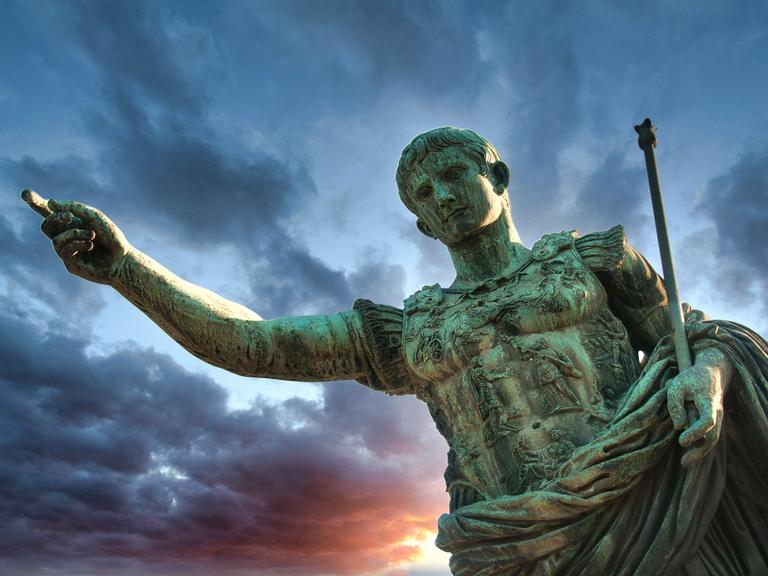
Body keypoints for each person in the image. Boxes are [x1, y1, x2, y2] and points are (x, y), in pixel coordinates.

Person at [24, 127, 768, 575]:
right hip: (512, 545)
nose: (441, 195)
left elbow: (696, 336)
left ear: (497, 176)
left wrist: (707, 377)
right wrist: (128, 270)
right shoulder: (411, 329)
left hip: (648, 508)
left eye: (453, 174)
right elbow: (253, 343)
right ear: (420, 224)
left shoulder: (591, 260)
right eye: (422, 192)